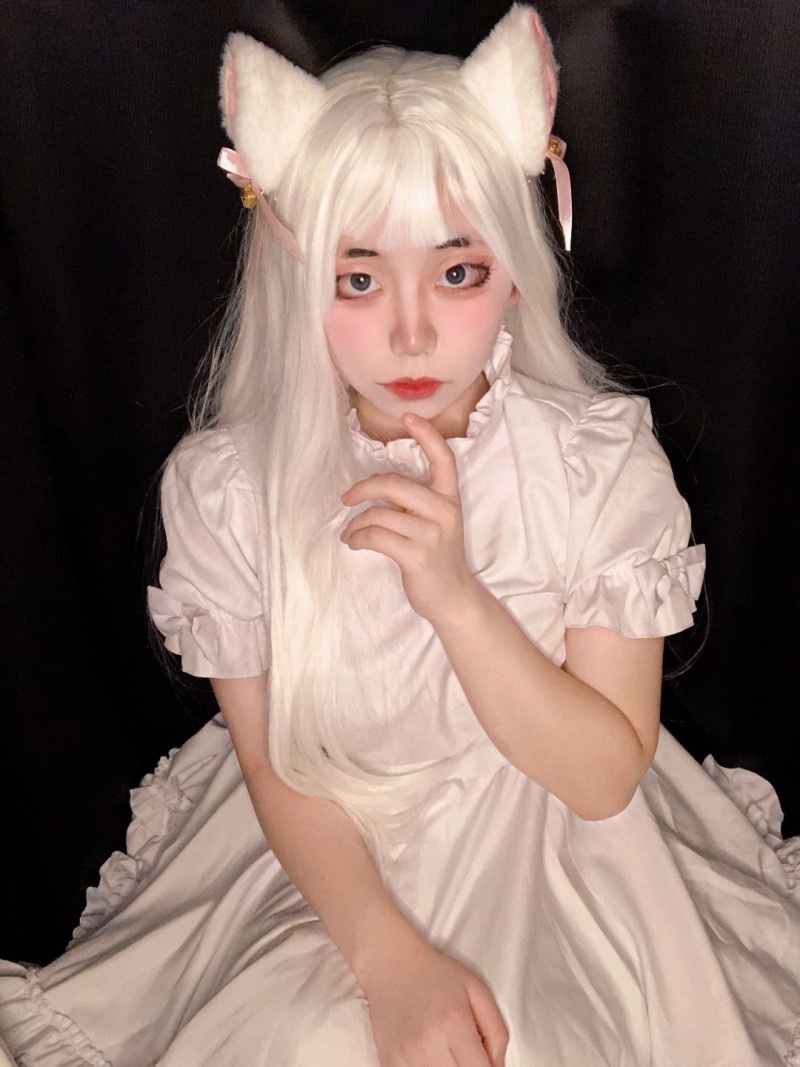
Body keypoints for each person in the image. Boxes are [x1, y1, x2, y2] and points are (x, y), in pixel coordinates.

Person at [1, 5, 798, 1065]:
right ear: (296, 276)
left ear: (512, 267)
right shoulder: (231, 490)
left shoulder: (594, 462)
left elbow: (603, 777)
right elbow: (275, 765)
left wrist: (457, 599)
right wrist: (387, 957)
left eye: (456, 271)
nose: (412, 333)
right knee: (309, 1038)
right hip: (330, 835)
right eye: (359, 277)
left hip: (559, 833)